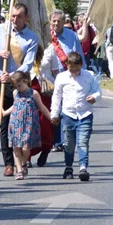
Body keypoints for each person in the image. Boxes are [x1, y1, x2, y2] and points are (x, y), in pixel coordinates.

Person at [0, 3, 39, 178]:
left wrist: (13, 76)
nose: (15, 19)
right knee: (4, 123)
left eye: (19, 16)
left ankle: (22, 158)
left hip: (19, 84)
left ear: (25, 17)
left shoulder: (31, 38)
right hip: (1, 83)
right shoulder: (1, 30)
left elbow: (28, 63)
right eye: (13, 16)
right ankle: (9, 163)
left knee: (21, 123)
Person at [50, 52, 101, 181]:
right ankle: (68, 167)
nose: (74, 72)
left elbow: (97, 90)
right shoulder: (61, 77)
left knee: (83, 142)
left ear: (81, 65)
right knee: (68, 143)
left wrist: (94, 97)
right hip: (68, 114)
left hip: (85, 114)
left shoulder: (89, 76)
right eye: (71, 69)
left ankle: (83, 168)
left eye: (77, 69)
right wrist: (54, 114)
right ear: (66, 65)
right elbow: (57, 97)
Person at [41, 9, 80, 158]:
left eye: (59, 21)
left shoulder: (72, 37)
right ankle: (56, 141)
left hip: (68, 78)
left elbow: (78, 57)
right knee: (54, 109)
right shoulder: (45, 36)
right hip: (50, 79)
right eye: (54, 21)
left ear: (64, 22)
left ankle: (65, 140)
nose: (56, 23)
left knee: (67, 111)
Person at [2, 72, 52, 180]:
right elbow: (15, 106)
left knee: (25, 148)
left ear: (25, 81)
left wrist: (50, 117)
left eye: (19, 85)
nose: (18, 88)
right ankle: (19, 170)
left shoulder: (33, 93)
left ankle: (24, 162)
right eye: (16, 86)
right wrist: (5, 112)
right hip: (15, 122)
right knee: (16, 147)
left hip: (29, 124)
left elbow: (42, 107)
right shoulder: (15, 93)